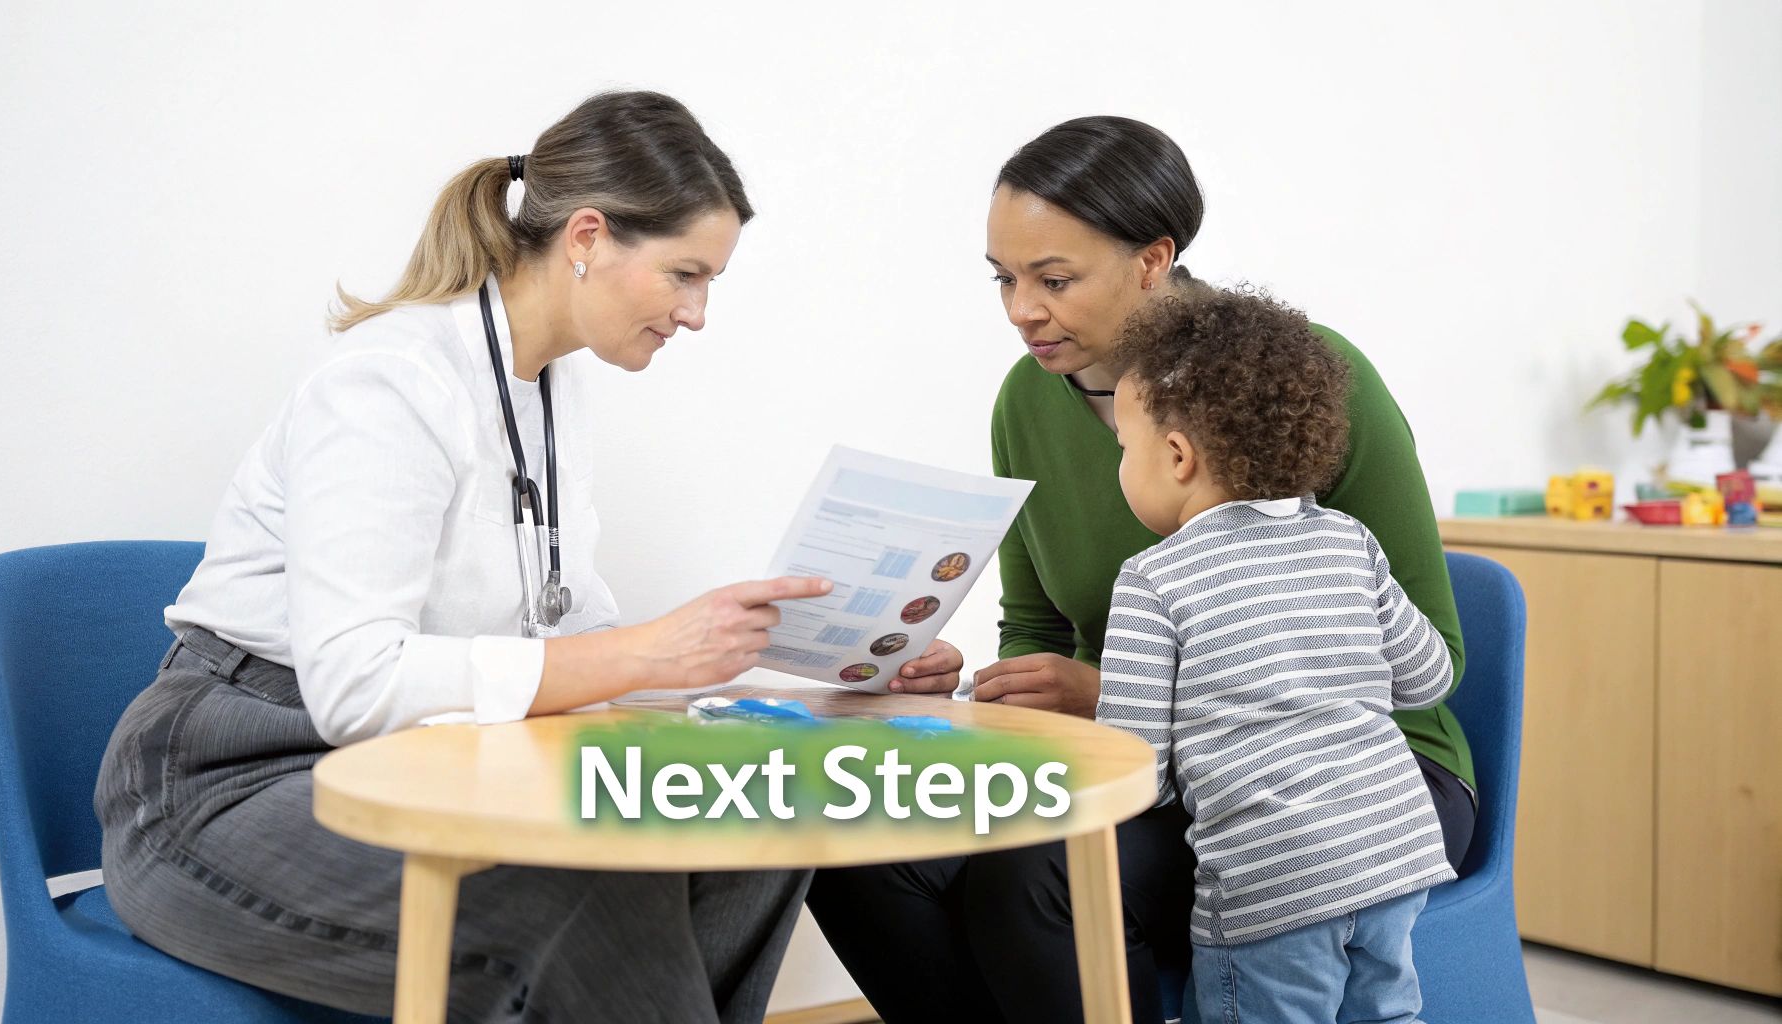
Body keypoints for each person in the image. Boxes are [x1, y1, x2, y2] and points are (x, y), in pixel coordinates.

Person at [94, 90, 830, 1024]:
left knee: (751, 825)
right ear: (589, 237)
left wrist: (774, 671)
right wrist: (646, 653)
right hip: (231, 781)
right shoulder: (390, 383)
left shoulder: (550, 384)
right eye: (685, 274)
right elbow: (354, 686)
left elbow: (569, 630)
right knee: (586, 893)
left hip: (424, 764)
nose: (696, 313)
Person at [812, 115, 1474, 1023]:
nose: (1020, 310)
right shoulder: (1027, 400)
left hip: (1352, 774)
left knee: (1041, 877)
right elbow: (1040, 625)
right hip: (1130, 751)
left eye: (1053, 280)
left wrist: (1117, 697)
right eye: (1003, 279)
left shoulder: (1306, 378)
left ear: (1154, 259)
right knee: (859, 851)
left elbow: (1435, 656)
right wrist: (977, 685)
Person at [1100, 286, 1455, 1023]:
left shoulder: (1154, 579)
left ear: (1176, 456)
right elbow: (1428, 678)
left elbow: (1132, 771)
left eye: (1123, 447)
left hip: (1273, 877)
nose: (1121, 466)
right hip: (1393, 848)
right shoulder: (1349, 541)